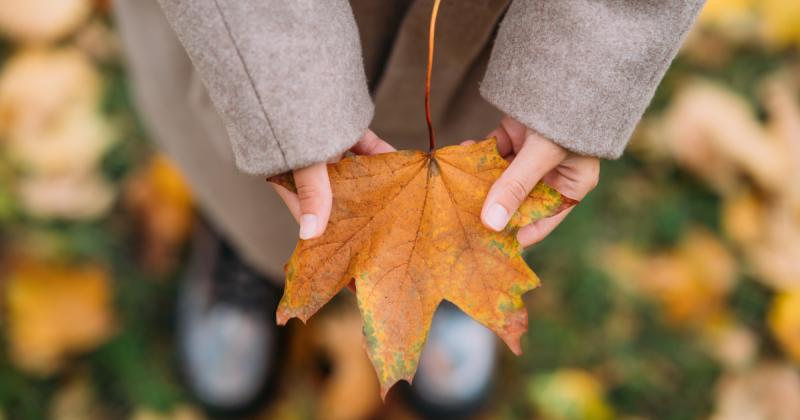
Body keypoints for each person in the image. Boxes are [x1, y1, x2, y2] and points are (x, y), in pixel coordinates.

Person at [113, 0, 706, 414]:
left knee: (483, 157)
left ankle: (448, 272)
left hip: (498, 40)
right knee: (258, 160)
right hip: (250, 25)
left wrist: (574, 81)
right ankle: (241, 243)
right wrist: (280, 99)